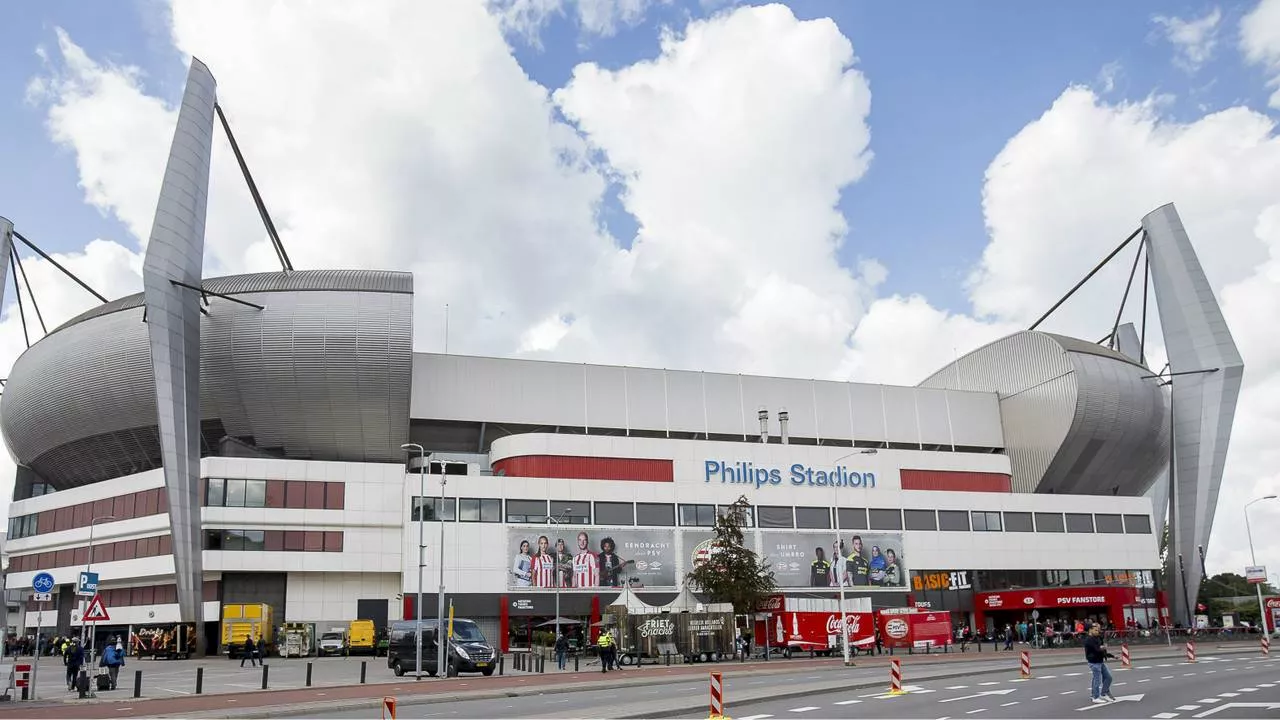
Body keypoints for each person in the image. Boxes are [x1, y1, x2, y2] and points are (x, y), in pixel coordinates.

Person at [1083, 623, 1116, 704]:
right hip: (1094, 662)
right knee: (1097, 680)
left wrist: (1111, 656)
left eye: (1098, 630)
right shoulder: (1089, 640)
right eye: (1096, 630)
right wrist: (1101, 648)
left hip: (1100, 662)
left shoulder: (1097, 638)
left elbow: (1102, 650)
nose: (1098, 631)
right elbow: (1097, 650)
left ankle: (1103, 694)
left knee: (1108, 677)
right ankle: (1095, 697)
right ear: (1090, 630)